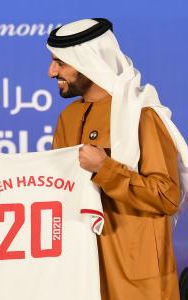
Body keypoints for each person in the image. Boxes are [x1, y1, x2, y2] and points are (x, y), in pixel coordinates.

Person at [47, 18, 188, 299]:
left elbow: (168, 196)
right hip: (83, 271)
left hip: (139, 277)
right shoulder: (67, 118)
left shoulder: (142, 115)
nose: (51, 72)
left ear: (88, 61)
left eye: (60, 63)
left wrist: (105, 168)